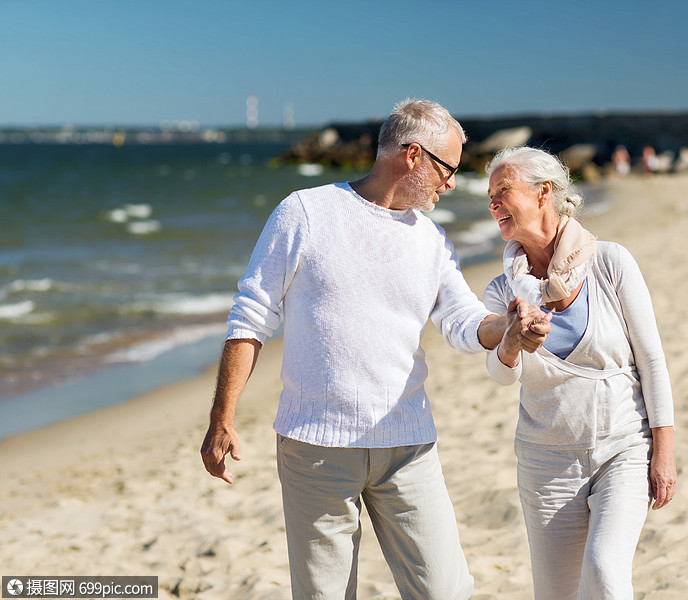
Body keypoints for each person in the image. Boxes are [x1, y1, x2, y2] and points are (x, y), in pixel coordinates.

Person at [200, 99, 549, 600]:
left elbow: (462, 320)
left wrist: (509, 327)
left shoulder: (431, 239)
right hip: (315, 448)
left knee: (446, 590)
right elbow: (251, 316)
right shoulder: (305, 212)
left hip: (408, 446)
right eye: (446, 169)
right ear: (412, 155)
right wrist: (222, 416)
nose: (451, 184)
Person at [482, 147, 677, 599]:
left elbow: (652, 360)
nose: (492, 203)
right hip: (546, 464)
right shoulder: (501, 291)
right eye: (489, 196)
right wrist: (511, 337)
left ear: (543, 192)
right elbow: (501, 375)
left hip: (624, 450)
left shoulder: (610, 263)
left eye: (502, 191)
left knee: (606, 574)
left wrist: (663, 450)